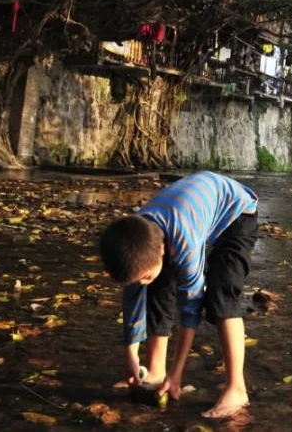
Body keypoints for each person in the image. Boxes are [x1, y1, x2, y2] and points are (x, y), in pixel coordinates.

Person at [99, 171, 259, 419]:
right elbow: (133, 297)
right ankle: (155, 370)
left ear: (162, 249)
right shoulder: (136, 237)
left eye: (145, 275)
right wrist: (130, 355)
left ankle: (237, 388)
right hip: (191, 209)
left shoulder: (184, 243)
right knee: (157, 285)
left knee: (221, 294)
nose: (142, 282)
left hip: (237, 213)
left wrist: (178, 373)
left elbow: (191, 309)